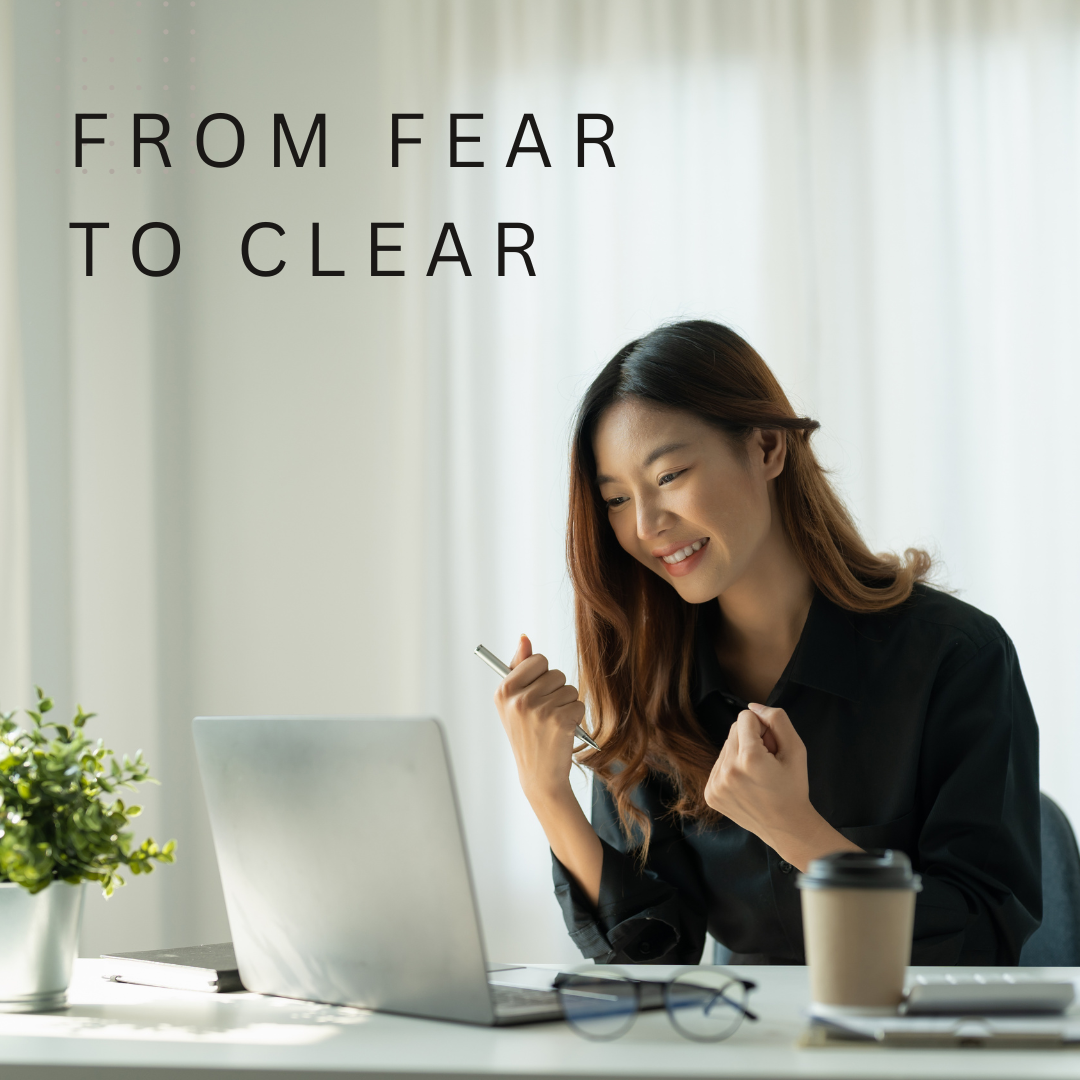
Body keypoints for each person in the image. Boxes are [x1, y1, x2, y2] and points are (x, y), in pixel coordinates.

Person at [493, 320, 1041, 966]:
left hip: (920, 1054)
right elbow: (652, 962)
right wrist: (548, 795)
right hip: (747, 1052)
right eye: (616, 499)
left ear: (767, 448)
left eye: (669, 476)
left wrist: (798, 832)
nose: (645, 525)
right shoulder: (650, 684)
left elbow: (982, 939)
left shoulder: (956, 656)